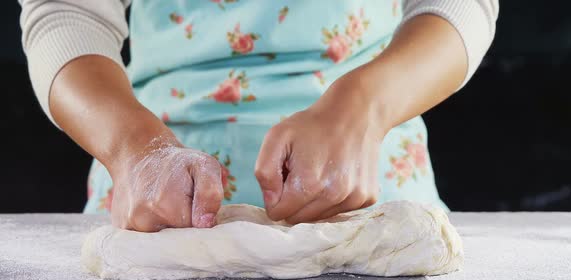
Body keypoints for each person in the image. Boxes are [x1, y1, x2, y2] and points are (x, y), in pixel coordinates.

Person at [19, 0, 498, 231]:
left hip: (370, 181)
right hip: (155, 191)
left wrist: (365, 106)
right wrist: (135, 148)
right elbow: (66, 14)